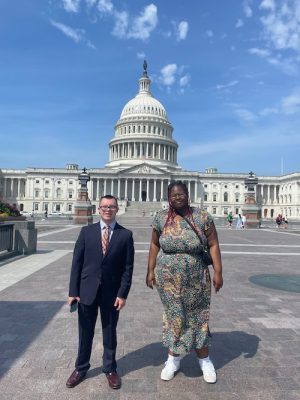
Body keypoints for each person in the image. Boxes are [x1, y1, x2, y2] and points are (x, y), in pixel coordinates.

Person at [146, 181, 223, 384]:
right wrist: (150, 270)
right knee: (174, 316)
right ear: (168, 197)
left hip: (197, 276)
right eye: (173, 195)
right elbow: (154, 244)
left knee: (198, 316)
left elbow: (213, 244)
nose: (177, 198)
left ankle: (205, 360)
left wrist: (218, 272)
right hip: (168, 279)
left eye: (181, 194)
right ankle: (173, 359)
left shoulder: (202, 217)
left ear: (187, 194)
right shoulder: (161, 217)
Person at [66, 195, 134, 390]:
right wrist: (73, 291)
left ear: (117, 209)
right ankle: (80, 368)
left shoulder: (125, 235)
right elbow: (76, 263)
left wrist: (122, 294)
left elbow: (127, 269)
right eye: (104, 206)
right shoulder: (86, 232)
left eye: (111, 207)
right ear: (98, 209)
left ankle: (110, 368)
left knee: (109, 332)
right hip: (87, 291)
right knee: (85, 332)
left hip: (112, 294)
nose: (108, 210)